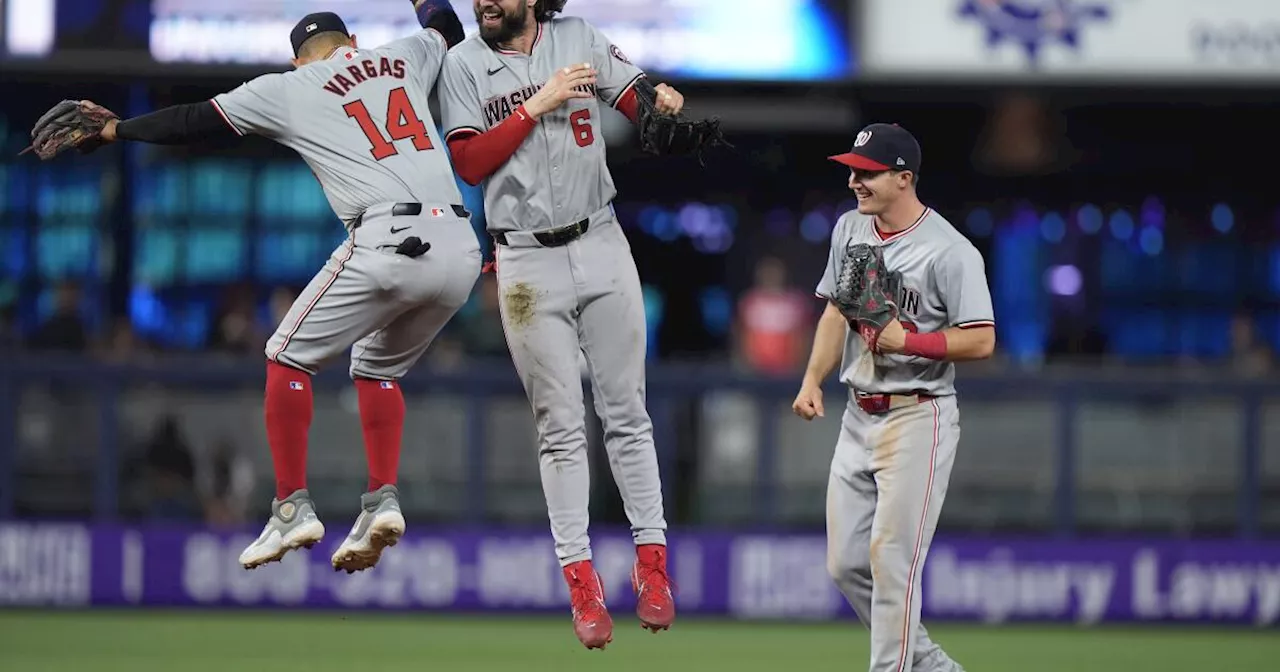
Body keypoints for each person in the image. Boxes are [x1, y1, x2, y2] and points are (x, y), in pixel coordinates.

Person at [30, 3, 477, 573]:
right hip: (460, 246)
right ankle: (381, 499)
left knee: (285, 356)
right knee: (377, 368)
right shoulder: (401, 56)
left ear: (297, 59)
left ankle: (292, 506)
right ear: (353, 41)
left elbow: (194, 120)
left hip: (389, 237)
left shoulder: (292, 86)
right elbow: (446, 30)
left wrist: (118, 129)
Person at [437, 0, 686, 649]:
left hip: (602, 242)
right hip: (522, 263)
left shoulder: (577, 36)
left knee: (628, 410)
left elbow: (636, 103)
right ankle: (582, 584)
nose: (487, 2)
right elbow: (468, 162)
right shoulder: (464, 63)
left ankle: (653, 568)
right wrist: (535, 104)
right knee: (559, 425)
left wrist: (661, 106)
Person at [792, 123, 994, 672]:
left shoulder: (951, 252)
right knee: (844, 564)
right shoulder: (849, 229)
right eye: (853, 171)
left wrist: (915, 340)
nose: (855, 181)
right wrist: (812, 379)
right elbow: (835, 310)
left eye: (868, 173)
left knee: (891, 562)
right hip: (859, 412)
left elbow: (981, 338)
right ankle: (928, 663)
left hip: (917, 415)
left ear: (904, 178)